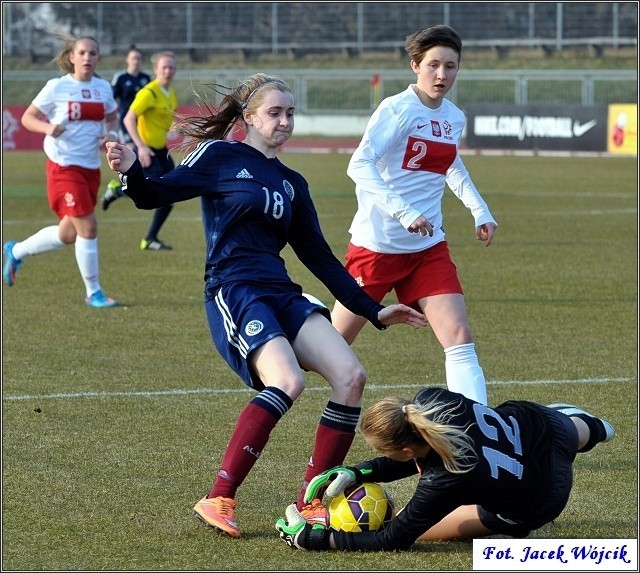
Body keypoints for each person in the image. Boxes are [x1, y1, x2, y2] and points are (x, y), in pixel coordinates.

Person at [104, 73, 428, 538]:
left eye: (290, 113)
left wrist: (372, 310)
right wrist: (131, 170)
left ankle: (310, 502)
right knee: (288, 380)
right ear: (248, 118)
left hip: (281, 292)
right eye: (275, 112)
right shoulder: (220, 156)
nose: (284, 121)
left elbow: (320, 258)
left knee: (351, 377)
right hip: (234, 288)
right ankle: (220, 495)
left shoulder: (293, 183)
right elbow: (155, 193)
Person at [330, 25, 498, 406]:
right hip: (378, 247)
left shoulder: (454, 118)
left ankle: (479, 429)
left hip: (427, 247)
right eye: (434, 65)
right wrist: (404, 212)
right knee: (331, 346)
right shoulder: (397, 109)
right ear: (415, 65)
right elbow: (359, 164)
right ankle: (295, 330)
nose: (442, 75)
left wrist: (480, 210)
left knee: (458, 335)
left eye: (451, 66)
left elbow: (451, 166)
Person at [276, 388, 615, 551]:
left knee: (414, 525)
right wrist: (359, 472)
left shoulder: (445, 477)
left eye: (382, 451)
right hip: (538, 423)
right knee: (569, 429)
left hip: (541, 498)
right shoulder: (431, 401)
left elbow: (394, 538)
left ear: (407, 450)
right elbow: (418, 453)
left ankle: (586, 431)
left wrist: (320, 539)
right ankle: (594, 428)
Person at [3, 33, 119, 308]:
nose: (87, 58)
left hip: (90, 167)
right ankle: (94, 292)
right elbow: (28, 117)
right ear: (71, 57)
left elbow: (112, 117)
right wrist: (48, 128)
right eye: (82, 53)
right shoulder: (56, 87)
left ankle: (15, 250)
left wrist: (110, 135)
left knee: (69, 234)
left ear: (98, 59)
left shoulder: (103, 88)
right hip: (63, 166)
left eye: (93, 53)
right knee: (88, 228)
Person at [118, 50, 179, 250]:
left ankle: (150, 238)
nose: (168, 71)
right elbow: (128, 118)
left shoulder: (171, 94)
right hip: (146, 150)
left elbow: (167, 124)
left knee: (172, 192)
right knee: (155, 189)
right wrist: (141, 147)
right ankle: (117, 191)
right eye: (164, 67)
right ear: (155, 70)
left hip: (161, 150)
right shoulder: (149, 92)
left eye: (171, 67)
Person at [102, 45, 151, 211]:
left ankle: (119, 189)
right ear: (127, 60)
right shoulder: (121, 78)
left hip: (142, 124)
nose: (136, 61)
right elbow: (110, 99)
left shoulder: (146, 78)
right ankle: (120, 186)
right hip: (126, 123)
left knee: (143, 160)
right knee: (132, 154)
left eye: (138, 58)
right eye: (133, 58)